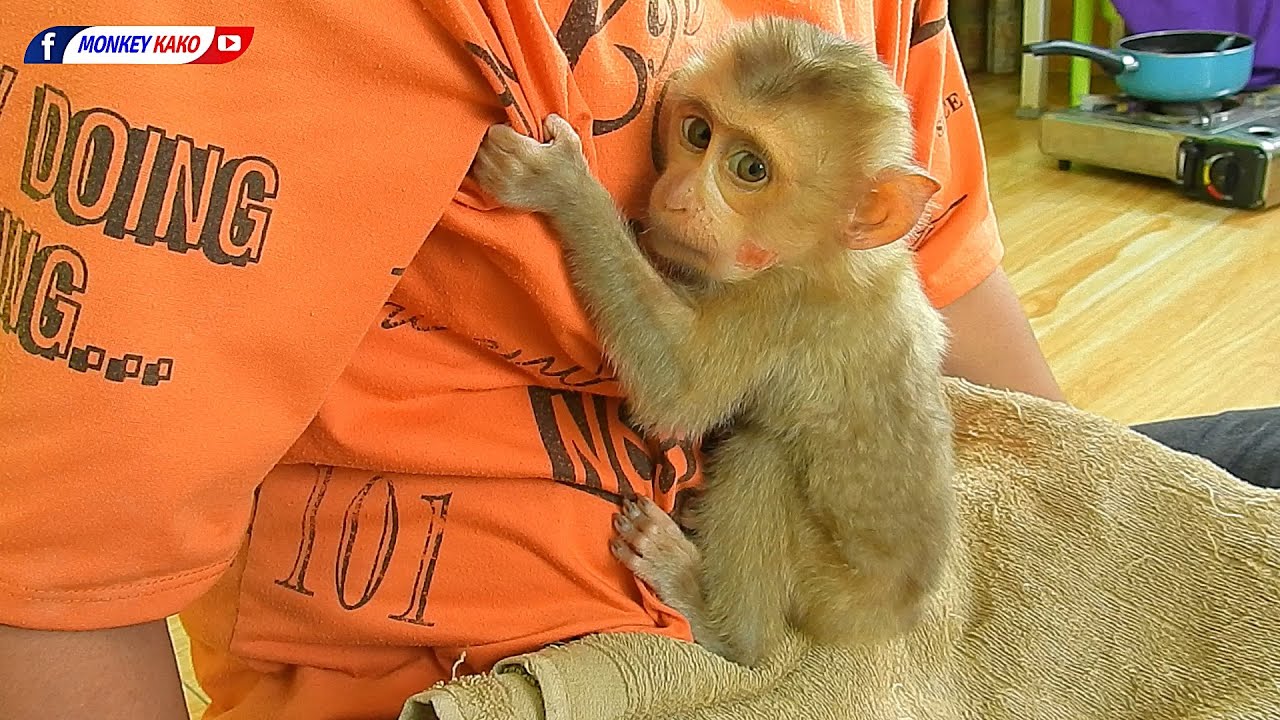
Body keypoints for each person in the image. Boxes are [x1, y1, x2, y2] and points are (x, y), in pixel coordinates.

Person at [0, 2, 1271, 719]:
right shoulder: (193, 44)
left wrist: (1073, 584)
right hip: (568, 670)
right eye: (693, 135)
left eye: (744, 166)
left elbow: (972, 353)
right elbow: (49, 591)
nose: (677, 192)